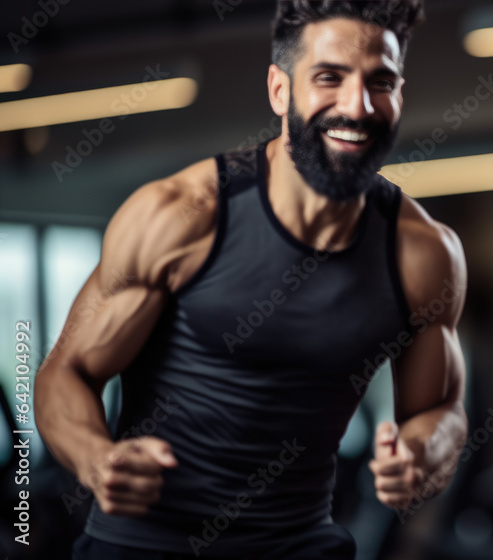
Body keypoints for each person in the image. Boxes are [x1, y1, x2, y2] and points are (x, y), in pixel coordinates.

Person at [35, 1, 468, 558]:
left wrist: (420, 454)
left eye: (380, 82)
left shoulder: (424, 253)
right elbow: (63, 374)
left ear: (399, 95)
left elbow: (443, 409)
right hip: (143, 546)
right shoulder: (179, 216)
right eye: (329, 78)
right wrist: (98, 460)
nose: (358, 106)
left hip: (302, 545)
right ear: (280, 90)